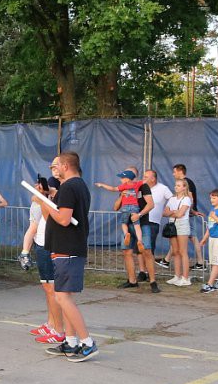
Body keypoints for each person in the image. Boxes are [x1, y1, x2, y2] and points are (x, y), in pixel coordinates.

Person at [35, 152, 97, 362]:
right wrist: (49, 201)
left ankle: (87, 342)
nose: (53, 170)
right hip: (66, 248)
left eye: (55, 166)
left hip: (68, 250)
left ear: (65, 166)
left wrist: (44, 201)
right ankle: (71, 342)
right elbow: (55, 217)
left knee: (62, 297)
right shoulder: (75, 186)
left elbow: (63, 219)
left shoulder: (70, 187)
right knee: (65, 297)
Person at [23, 177, 66, 345]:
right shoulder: (39, 200)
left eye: (40, 186)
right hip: (40, 243)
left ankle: (58, 329)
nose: (36, 187)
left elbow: (49, 218)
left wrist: (42, 199)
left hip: (50, 245)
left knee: (52, 289)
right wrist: (25, 250)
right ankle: (51, 323)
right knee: (47, 288)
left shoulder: (51, 200)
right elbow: (33, 225)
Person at [114, 167, 158, 292]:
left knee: (147, 251)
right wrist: (121, 197)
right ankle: (132, 280)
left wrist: (139, 215)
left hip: (142, 223)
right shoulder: (124, 188)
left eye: (125, 176)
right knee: (127, 251)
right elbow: (116, 207)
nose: (123, 179)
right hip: (127, 225)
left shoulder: (143, 187)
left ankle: (153, 281)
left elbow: (151, 204)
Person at [95, 170, 146, 251]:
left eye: (122, 178)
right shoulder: (137, 184)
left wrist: (102, 185)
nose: (120, 179)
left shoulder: (124, 186)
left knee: (124, 223)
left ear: (127, 179)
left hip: (125, 207)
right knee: (137, 225)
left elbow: (112, 188)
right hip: (135, 207)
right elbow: (146, 181)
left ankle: (126, 234)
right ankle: (140, 241)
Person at [173, 164, 207, 271]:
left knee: (191, 236)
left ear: (180, 171)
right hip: (188, 213)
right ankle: (166, 259)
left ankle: (201, 262)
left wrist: (189, 211)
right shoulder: (187, 182)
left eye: (174, 172)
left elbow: (190, 198)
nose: (173, 174)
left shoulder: (186, 182)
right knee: (181, 235)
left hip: (187, 214)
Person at [163, 180, 193, 286]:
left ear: (184, 188)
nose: (176, 187)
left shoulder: (187, 199)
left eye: (179, 185)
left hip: (182, 225)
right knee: (175, 251)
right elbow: (164, 212)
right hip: (172, 225)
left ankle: (185, 278)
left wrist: (172, 212)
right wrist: (174, 212)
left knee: (182, 251)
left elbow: (181, 214)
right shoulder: (171, 199)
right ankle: (177, 276)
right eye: (175, 185)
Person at [143, 169, 172, 261]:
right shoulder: (141, 187)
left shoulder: (163, 188)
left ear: (153, 179)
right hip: (140, 220)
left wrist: (166, 210)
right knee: (140, 248)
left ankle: (148, 271)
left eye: (146, 177)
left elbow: (173, 200)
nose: (143, 178)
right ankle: (142, 270)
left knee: (149, 247)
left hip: (153, 222)